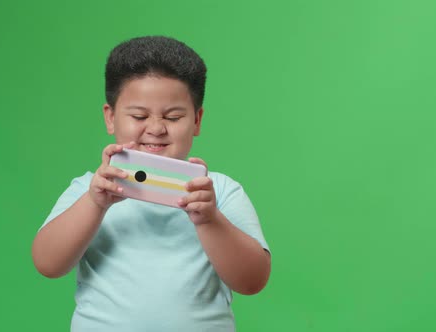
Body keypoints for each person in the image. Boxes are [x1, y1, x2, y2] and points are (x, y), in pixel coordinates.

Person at [32, 36, 271, 331]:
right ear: (110, 118)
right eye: (139, 115)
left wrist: (209, 220)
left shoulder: (218, 192)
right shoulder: (90, 189)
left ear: (196, 121)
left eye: (173, 116)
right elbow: (48, 263)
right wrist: (94, 204)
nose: (156, 129)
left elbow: (253, 281)